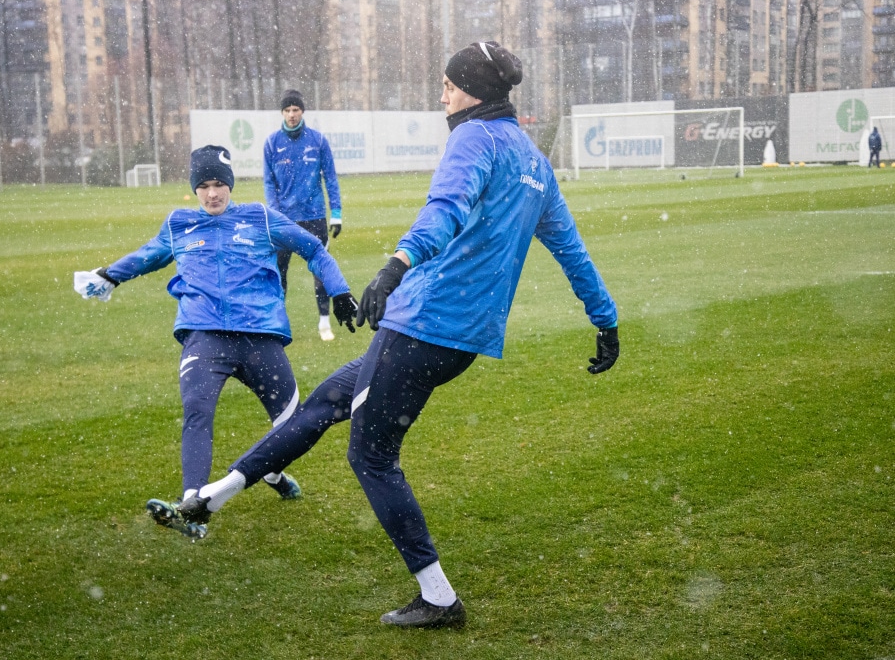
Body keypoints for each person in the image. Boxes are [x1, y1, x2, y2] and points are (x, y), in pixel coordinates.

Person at [164, 42, 619, 628]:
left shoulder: (473, 139)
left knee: (372, 455)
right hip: (460, 335)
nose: (442, 94)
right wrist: (604, 319)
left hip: (427, 324)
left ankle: (438, 598)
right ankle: (213, 496)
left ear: (475, 92)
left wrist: (396, 264)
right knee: (330, 399)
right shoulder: (534, 162)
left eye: (449, 85)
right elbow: (571, 249)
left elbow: (445, 208)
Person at [73, 144, 358, 539]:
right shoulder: (179, 225)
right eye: (204, 185)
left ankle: (272, 472)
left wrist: (340, 291)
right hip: (204, 336)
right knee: (197, 410)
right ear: (194, 189)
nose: (212, 193)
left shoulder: (259, 216)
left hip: (260, 336)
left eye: (219, 184)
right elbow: (148, 255)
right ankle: (192, 507)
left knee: (292, 425)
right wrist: (109, 275)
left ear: (230, 185)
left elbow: (312, 248)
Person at [264, 89, 344, 342]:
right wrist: (275, 214)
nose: (291, 115)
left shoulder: (318, 141)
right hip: (284, 219)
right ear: (282, 113)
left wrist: (337, 213)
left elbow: (330, 178)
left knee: (320, 270)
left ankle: (324, 323)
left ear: (302, 111)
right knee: (279, 273)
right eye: (287, 110)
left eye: (295, 109)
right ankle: (277, 324)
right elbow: (269, 183)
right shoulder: (271, 143)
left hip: (314, 217)